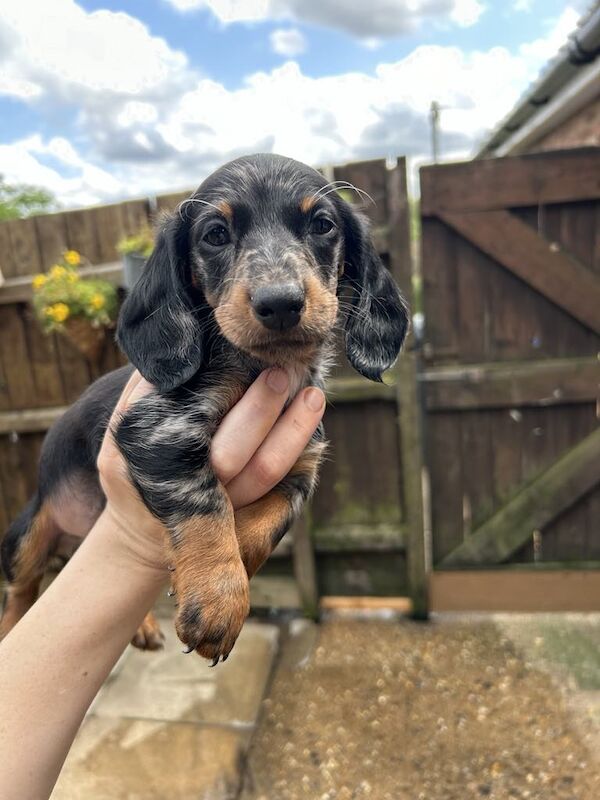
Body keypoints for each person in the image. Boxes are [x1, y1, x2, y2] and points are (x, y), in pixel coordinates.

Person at [0, 368, 325, 800]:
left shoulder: (308, 399)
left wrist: (235, 557)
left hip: (136, 521)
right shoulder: (196, 370)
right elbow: (158, 446)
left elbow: (295, 481)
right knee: (26, 552)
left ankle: (140, 603)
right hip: (69, 484)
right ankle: (18, 601)